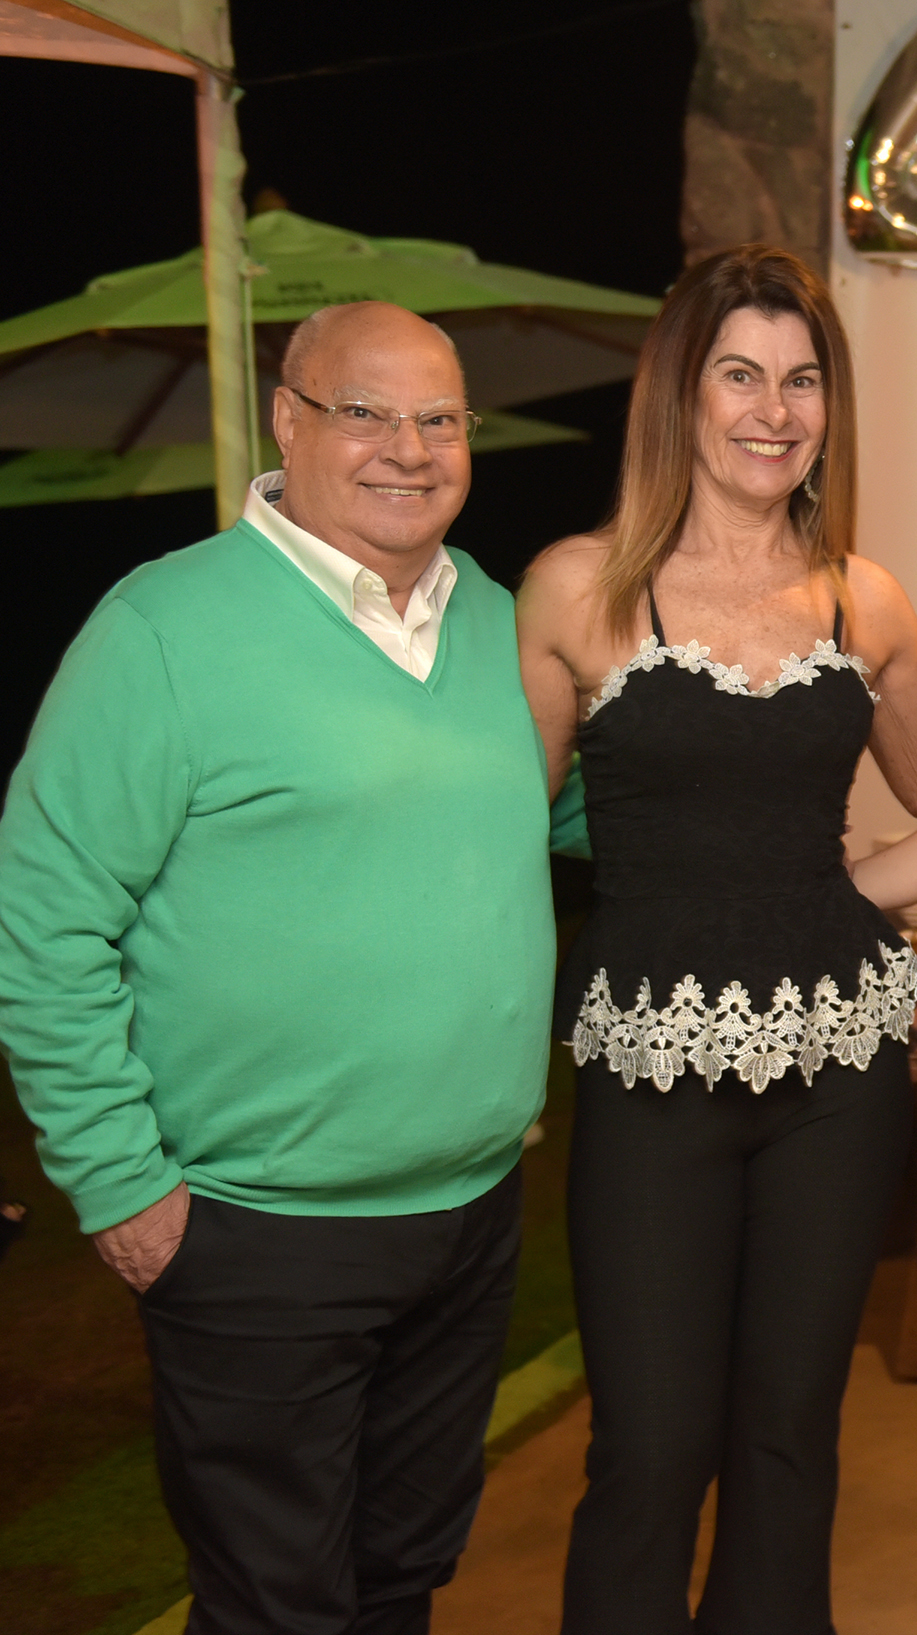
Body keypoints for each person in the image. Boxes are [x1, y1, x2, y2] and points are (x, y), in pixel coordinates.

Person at [0, 300, 550, 1631]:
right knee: (272, 1601)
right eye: (367, 411)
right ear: (289, 421)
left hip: (468, 1212)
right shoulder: (164, 627)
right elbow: (43, 913)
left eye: (440, 417)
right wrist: (122, 1182)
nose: (409, 448)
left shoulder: (495, 616)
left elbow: (582, 806)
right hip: (254, 1228)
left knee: (400, 1576)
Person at [515, 245, 917, 1633]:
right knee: (651, 1446)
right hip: (646, 1078)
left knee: (789, 1443)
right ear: (681, 392)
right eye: (741, 373)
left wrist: (883, 885)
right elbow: (492, 838)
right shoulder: (578, 589)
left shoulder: (865, 598)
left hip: (837, 1081)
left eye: (802, 380)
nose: (774, 408)